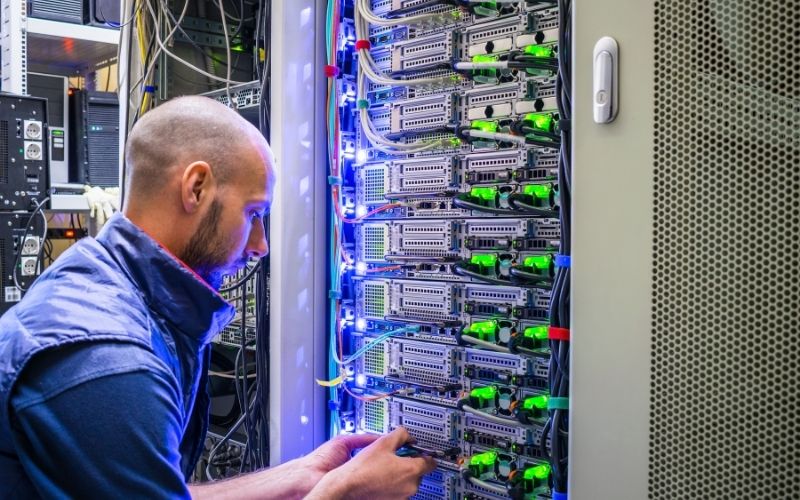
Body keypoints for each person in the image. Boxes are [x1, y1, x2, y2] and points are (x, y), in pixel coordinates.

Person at [0, 96, 435, 498]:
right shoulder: (109, 361)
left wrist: (299, 478)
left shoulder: (102, 284)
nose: (260, 245)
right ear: (196, 188)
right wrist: (343, 494)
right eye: (254, 214)